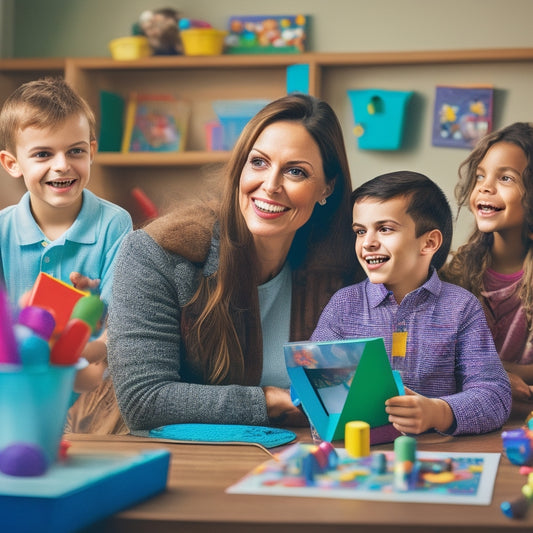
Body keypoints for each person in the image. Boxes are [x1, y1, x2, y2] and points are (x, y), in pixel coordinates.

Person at [107, 93, 364, 432]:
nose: (270, 186)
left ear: (326, 188)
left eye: (296, 171)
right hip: (176, 457)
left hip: (300, 452)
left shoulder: (349, 262)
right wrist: (273, 400)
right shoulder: (158, 253)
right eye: (258, 162)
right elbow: (144, 400)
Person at [311, 171, 511, 436]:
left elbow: (494, 395)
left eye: (384, 229)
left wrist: (438, 412)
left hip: (436, 456)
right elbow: (310, 382)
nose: (368, 242)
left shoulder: (462, 308)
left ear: (429, 243)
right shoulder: (343, 305)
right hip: (355, 453)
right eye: (360, 231)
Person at [0, 77, 132, 415]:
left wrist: (70, 355)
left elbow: (120, 328)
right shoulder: (3, 229)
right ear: (12, 163)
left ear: (92, 151)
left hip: (92, 393)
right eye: (43, 153)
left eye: (75, 151)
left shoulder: (114, 224)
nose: (62, 165)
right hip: (16, 390)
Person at [441, 122, 533, 417]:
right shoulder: (454, 275)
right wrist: (498, 376)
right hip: (466, 419)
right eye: (480, 175)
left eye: (506, 178)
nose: (484, 186)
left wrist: (494, 371)